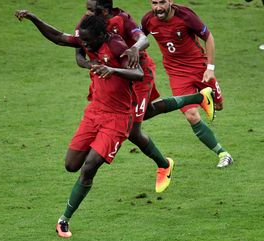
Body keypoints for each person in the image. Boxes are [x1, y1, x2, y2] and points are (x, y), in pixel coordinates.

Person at [15, 11, 152, 238]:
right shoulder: (89, 40)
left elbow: (138, 73)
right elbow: (58, 37)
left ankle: (64, 220)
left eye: (87, 41)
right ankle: (99, 148)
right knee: (71, 165)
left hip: (118, 117)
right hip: (94, 112)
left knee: (89, 168)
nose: (84, 44)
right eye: (83, 40)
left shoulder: (117, 46)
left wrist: (112, 69)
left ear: (102, 34)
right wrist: (32, 18)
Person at [74, 0, 215, 191]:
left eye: (92, 10)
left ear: (105, 10)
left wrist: (134, 48)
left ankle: (164, 165)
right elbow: (68, 42)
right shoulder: (89, 25)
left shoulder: (123, 19)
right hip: (119, 80)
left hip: (138, 76)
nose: (88, 14)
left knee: (132, 129)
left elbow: (144, 39)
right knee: (147, 111)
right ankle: (200, 98)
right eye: (87, 10)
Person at [141, 0, 233, 168]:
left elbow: (208, 37)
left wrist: (210, 68)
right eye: (154, 3)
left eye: (162, 2)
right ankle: (223, 153)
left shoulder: (186, 16)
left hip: (200, 68)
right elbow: (138, 40)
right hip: (177, 74)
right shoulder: (147, 20)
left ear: (170, 1)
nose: (158, 7)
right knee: (191, 115)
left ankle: (207, 100)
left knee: (219, 106)